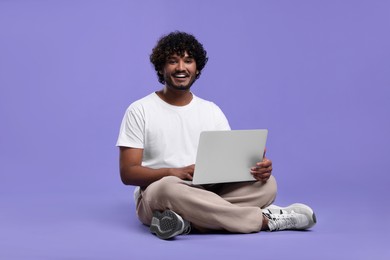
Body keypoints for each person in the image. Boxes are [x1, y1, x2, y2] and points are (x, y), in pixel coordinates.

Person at [116, 31, 316, 240]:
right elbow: (128, 173)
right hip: (160, 192)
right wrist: (171, 172)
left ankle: (184, 222)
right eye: (173, 61)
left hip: (208, 190)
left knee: (268, 185)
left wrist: (256, 167)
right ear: (161, 68)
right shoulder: (140, 110)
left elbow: (228, 163)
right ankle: (265, 220)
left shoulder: (211, 110)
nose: (181, 68)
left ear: (197, 68)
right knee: (167, 189)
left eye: (188, 61)